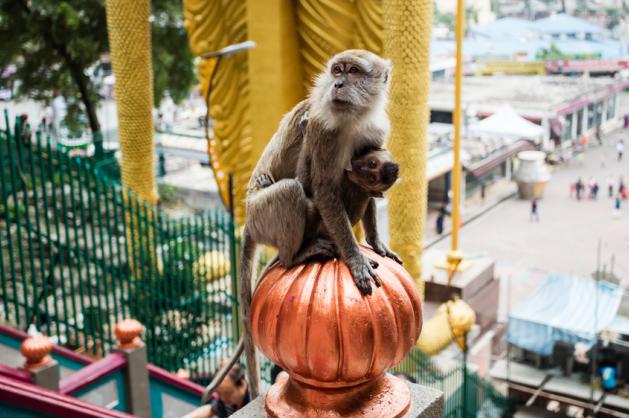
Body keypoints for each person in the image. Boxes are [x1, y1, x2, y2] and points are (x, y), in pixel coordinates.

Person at [183, 364, 250, 418]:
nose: (224, 399)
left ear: (242, 384)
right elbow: (211, 409)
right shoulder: (225, 401)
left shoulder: (253, 398)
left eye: (227, 393)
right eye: (220, 394)